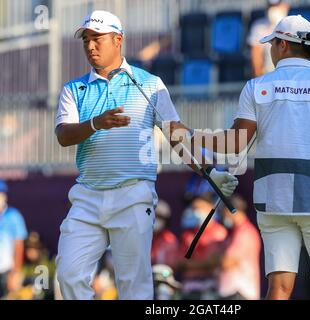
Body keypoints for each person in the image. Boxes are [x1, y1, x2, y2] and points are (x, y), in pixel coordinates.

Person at [54, 10, 238, 300]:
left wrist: (210, 171)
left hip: (133, 194)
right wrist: (95, 123)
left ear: (118, 40)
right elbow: (63, 135)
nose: (90, 46)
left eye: (97, 39)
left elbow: (177, 136)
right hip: (87, 195)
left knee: (134, 285)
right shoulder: (74, 89)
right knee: (68, 274)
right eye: (86, 40)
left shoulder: (150, 84)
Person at [192, 15, 310, 300]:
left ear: (283, 45)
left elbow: (235, 143)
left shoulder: (256, 86)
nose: (270, 50)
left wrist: (191, 137)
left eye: (272, 44)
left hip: (272, 198)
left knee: (279, 289)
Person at [177, 194, 227, 300]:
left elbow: (214, 262)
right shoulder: (188, 234)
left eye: (199, 208)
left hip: (210, 286)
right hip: (189, 286)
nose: (195, 211)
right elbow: (180, 262)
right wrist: (202, 263)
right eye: (194, 208)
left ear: (209, 208)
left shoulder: (219, 232)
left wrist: (191, 264)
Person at [218, 194, 261, 300]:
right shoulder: (234, 233)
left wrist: (211, 260)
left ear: (229, 211)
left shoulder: (245, 233)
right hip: (232, 292)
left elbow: (227, 262)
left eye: (223, 212)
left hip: (240, 293)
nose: (223, 216)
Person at [247, 0, 289, 77]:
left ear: (285, 6)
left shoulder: (293, 25)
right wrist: (260, 80)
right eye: (271, 7)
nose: (273, 10)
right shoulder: (258, 27)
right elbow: (256, 57)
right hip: (268, 77)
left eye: (277, 6)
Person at [151, 200, 179, 269]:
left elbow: (172, 265)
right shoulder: (142, 236)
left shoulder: (170, 239)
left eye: (160, 217)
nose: (157, 220)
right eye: (155, 216)